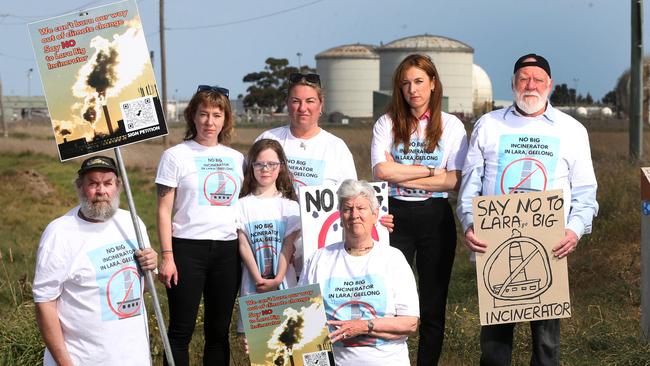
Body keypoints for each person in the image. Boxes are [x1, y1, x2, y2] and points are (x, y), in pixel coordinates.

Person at [457, 53, 598, 365]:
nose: (530, 85)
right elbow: (470, 185)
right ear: (513, 84)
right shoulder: (488, 125)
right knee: (494, 346)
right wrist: (469, 223)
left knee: (547, 346)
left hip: (549, 248)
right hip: (494, 246)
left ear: (550, 85)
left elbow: (586, 193)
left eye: (537, 80)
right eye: (523, 79)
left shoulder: (572, 130)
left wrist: (573, 231)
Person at [371, 53, 468, 365]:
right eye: (405, 84)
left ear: (433, 84)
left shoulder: (452, 126)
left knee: (432, 305)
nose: (412, 89)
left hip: (435, 219)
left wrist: (403, 170)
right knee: (388, 299)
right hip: (394, 217)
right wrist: (429, 172)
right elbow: (382, 173)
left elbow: (454, 179)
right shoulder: (386, 123)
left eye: (418, 81)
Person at [257, 73, 393, 270]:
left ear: (320, 105)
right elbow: (248, 189)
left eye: (310, 101)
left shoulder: (336, 147)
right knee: (276, 301)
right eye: (296, 101)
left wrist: (377, 218)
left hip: (321, 253)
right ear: (287, 104)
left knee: (312, 302)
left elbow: (353, 199)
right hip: (272, 247)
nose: (303, 108)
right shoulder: (268, 139)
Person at [33, 155, 158, 366]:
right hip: (83, 359)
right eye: (93, 184)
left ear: (118, 187)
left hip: (134, 356)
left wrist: (151, 266)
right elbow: (44, 303)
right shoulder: (60, 233)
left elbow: (143, 288)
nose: (101, 191)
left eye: (108, 183)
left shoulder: (132, 222)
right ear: (80, 187)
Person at [156, 85, 244, 366]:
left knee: (218, 333)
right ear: (192, 116)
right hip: (185, 251)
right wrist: (167, 256)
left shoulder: (237, 159)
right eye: (203, 114)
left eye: (217, 115)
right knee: (181, 330)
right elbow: (164, 209)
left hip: (228, 252)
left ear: (225, 119)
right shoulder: (175, 156)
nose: (210, 121)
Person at [299, 179, 419, 366]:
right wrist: (263, 339)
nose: (354, 215)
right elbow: (301, 318)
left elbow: (410, 323)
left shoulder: (393, 259)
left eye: (361, 208)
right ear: (340, 215)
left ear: (375, 214)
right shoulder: (318, 260)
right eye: (347, 209)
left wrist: (364, 326)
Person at [236, 138, 301, 305]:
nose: (265, 169)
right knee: (256, 332)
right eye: (259, 164)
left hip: (285, 283)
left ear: (281, 167)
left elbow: (288, 246)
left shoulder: (291, 207)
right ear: (251, 167)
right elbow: (243, 246)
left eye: (271, 164)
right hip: (254, 285)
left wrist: (278, 279)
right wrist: (259, 279)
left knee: (291, 330)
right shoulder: (241, 205)